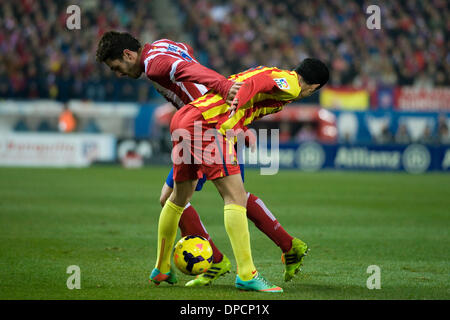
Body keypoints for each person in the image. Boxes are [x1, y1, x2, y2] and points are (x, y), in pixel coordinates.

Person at [96, 31, 308, 286]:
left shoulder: (154, 65)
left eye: (116, 66)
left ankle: (268, 255)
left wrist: (224, 90)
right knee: (185, 198)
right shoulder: (162, 46)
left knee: (232, 197)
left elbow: (189, 69)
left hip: (211, 124)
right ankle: (225, 259)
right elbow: (186, 52)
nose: (118, 74)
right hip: (198, 124)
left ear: (128, 54)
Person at [149, 59, 329, 292]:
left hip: (185, 119)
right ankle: (247, 274)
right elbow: (257, 83)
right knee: (235, 198)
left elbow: (249, 84)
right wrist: (237, 103)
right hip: (208, 126)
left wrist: (240, 125)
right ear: (313, 87)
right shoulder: (292, 85)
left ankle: (161, 268)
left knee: (177, 198)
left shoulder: (276, 71)